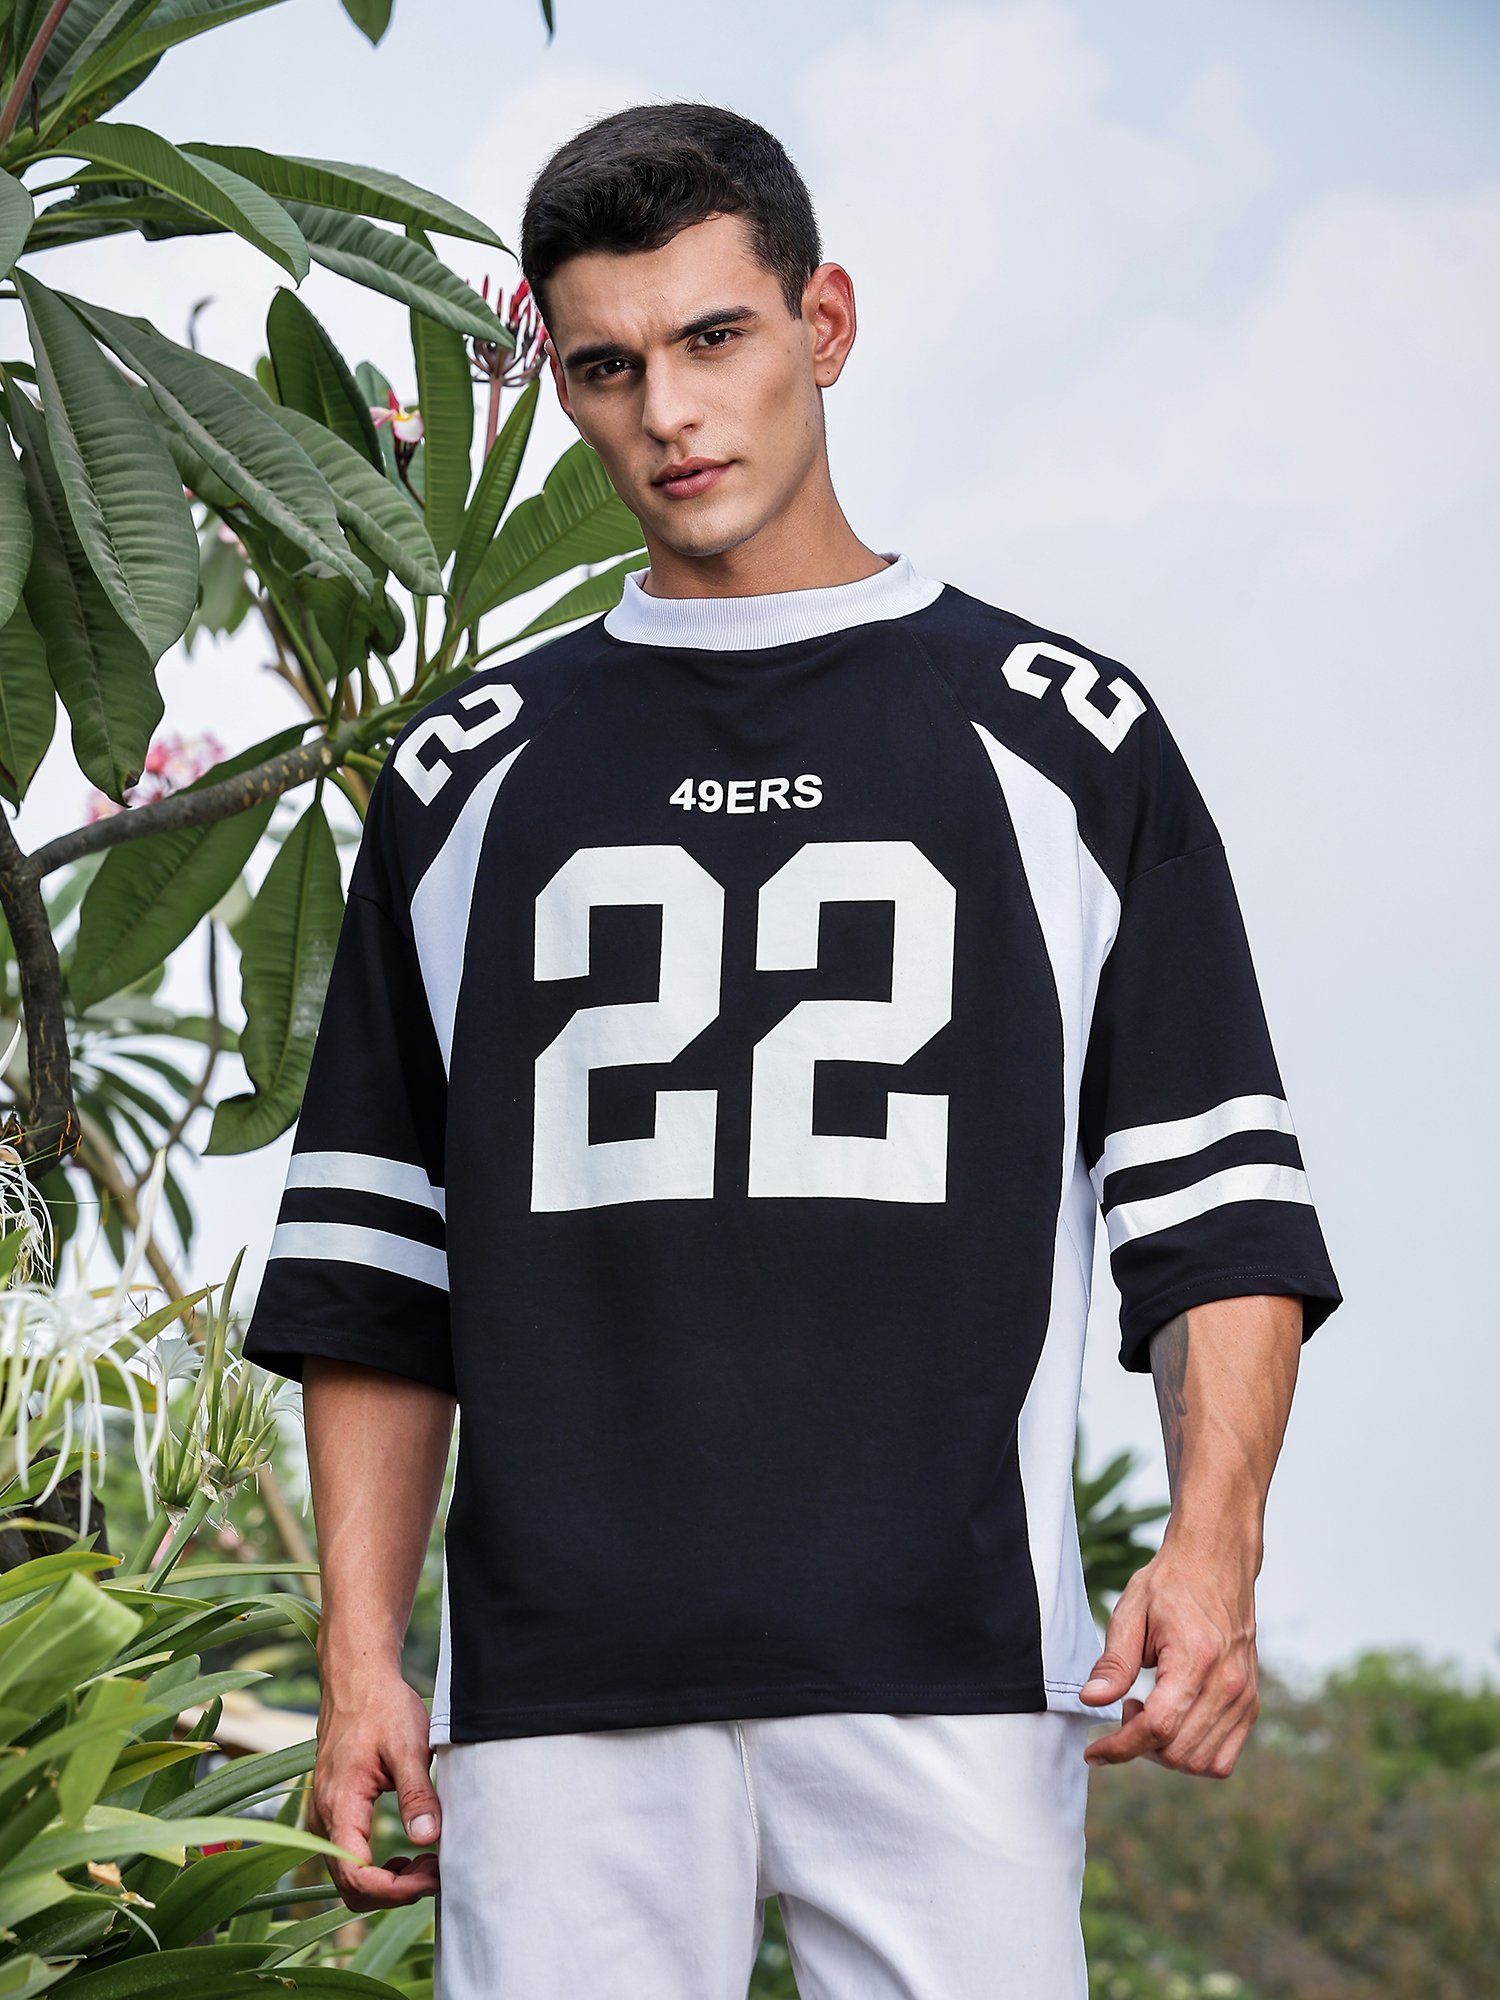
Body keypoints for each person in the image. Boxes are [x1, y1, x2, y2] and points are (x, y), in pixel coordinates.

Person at [242, 101, 1343, 1999]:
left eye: (713, 338)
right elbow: (376, 1273)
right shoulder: (462, 777)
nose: (668, 412)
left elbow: (1213, 1210)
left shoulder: (1063, 737)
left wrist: (1214, 1543)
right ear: (560, 382)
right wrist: (360, 1661)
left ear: (823, 322)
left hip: (954, 1664)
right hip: (557, 1689)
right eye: (607, 366)